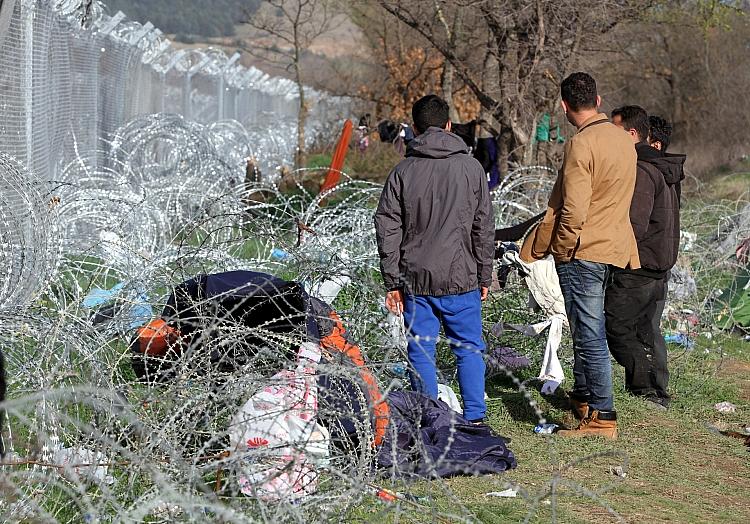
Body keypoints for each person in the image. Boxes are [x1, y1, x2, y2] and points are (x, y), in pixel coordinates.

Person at [520, 72, 639, 439]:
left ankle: (603, 417)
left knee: (589, 334)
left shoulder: (581, 144)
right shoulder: (625, 141)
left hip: (583, 249)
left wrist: (563, 247)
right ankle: (586, 399)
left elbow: (572, 208)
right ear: (599, 100)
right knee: (589, 327)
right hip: (615, 248)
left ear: (564, 105)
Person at [374, 94, 494, 423]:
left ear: (414, 128)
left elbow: (387, 227)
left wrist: (392, 281)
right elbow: (483, 226)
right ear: (449, 126)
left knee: (421, 350)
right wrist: (486, 274)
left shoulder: (403, 171)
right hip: (461, 276)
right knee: (468, 348)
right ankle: (474, 419)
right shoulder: (472, 168)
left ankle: (428, 418)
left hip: (416, 279)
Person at [607, 106, 685, 410]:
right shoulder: (666, 169)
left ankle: (644, 390)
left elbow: (634, 224)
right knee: (646, 329)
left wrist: (612, 256)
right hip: (660, 261)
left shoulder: (642, 170)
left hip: (638, 264)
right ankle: (656, 392)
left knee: (615, 325)